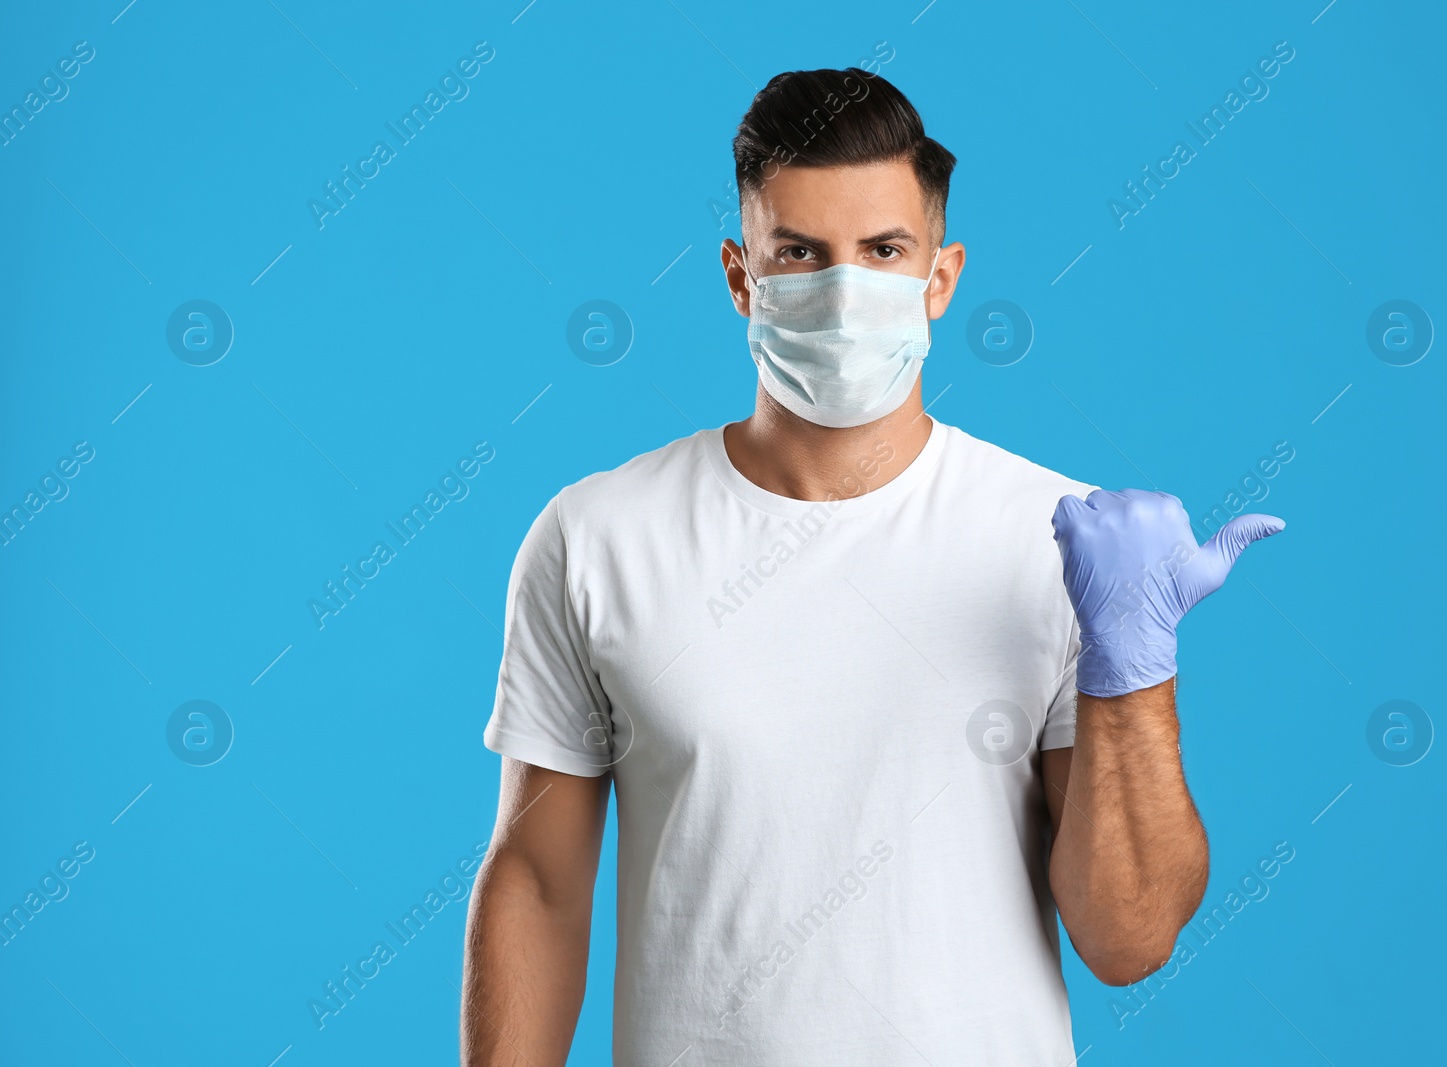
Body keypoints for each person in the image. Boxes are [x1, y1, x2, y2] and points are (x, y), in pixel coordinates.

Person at [460, 66, 1283, 1066]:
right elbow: (539, 882)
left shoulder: (1061, 540)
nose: (842, 291)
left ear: (939, 277)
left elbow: (1128, 937)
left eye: (883, 250)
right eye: (799, 253)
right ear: (738, 275)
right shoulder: (599, 535)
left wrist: (1133, 664)